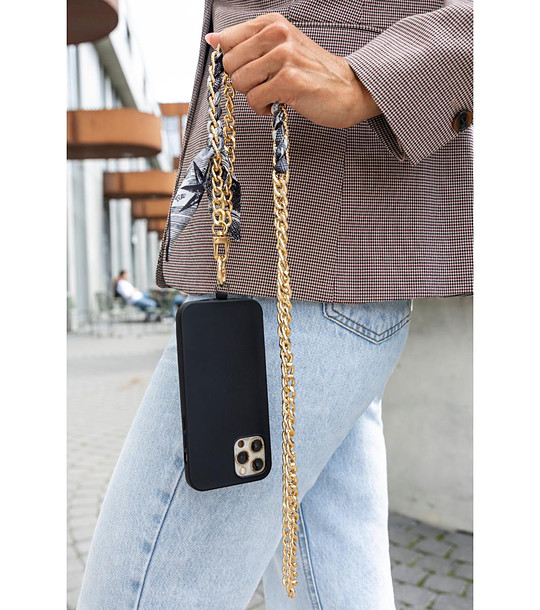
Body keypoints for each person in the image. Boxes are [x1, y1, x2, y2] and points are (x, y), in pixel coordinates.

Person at [78, 2, 472, 609]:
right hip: (301, 261)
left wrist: (374, 77)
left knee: (134, 594)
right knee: (331, 588)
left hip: (300, 257)